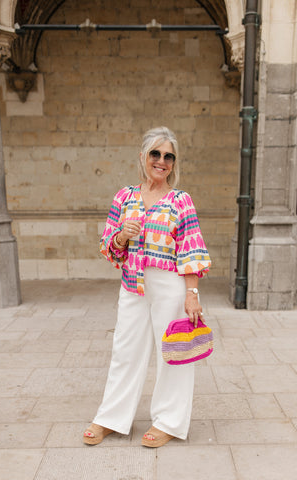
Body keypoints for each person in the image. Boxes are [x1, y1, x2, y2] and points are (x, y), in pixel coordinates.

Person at [83, 126, 211, 447]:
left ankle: (168, 421)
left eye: (168, 156)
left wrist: (192, 294)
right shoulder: (124, 197)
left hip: (170, 283)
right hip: (132, 283)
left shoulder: (181, 200)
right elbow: (109, 248)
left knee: (173, 352)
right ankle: (110, 418)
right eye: (155, 153)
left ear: (173, 163)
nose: (162, 161)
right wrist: (123, 234)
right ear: (143, 157)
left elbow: (191, 249)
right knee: (124, 351)